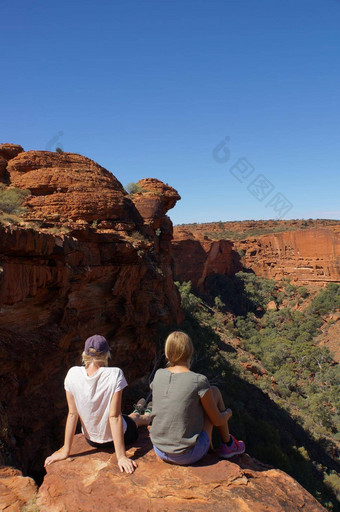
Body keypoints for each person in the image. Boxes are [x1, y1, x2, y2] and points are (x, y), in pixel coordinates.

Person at [44, 334, 151, 474]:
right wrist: (121, 457)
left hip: (91, 440)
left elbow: (72, 414)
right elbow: (114, 417)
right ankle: (147, 416)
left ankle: (137, 411)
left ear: (85, 353)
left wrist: (66, 450)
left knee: (128, 417)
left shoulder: (72, 374)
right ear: (106, 354)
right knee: (134, 421)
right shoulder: (115, 374)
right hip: (120, 437)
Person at [150, 331, 245, 465]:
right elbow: (217, 420)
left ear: (167, 353)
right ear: (190, 352)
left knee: (204, 396)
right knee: (215, 393)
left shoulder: (159, 374)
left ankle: (219, 444)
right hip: (186, 455)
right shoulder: (198, 380)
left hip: (159, 449)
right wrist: (229, 413)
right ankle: (228, 444)